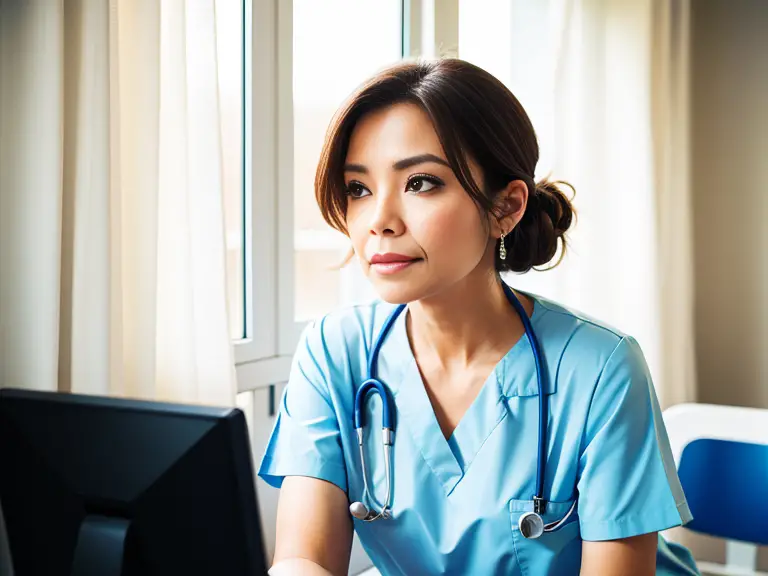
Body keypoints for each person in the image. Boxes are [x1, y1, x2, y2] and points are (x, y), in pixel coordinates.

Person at [259, 59, 700, 576]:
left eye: (420, 182)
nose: (378, 220)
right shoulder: (335, 351)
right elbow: (301, 560)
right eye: (359, 189)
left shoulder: (600, 368)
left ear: (505, 208)